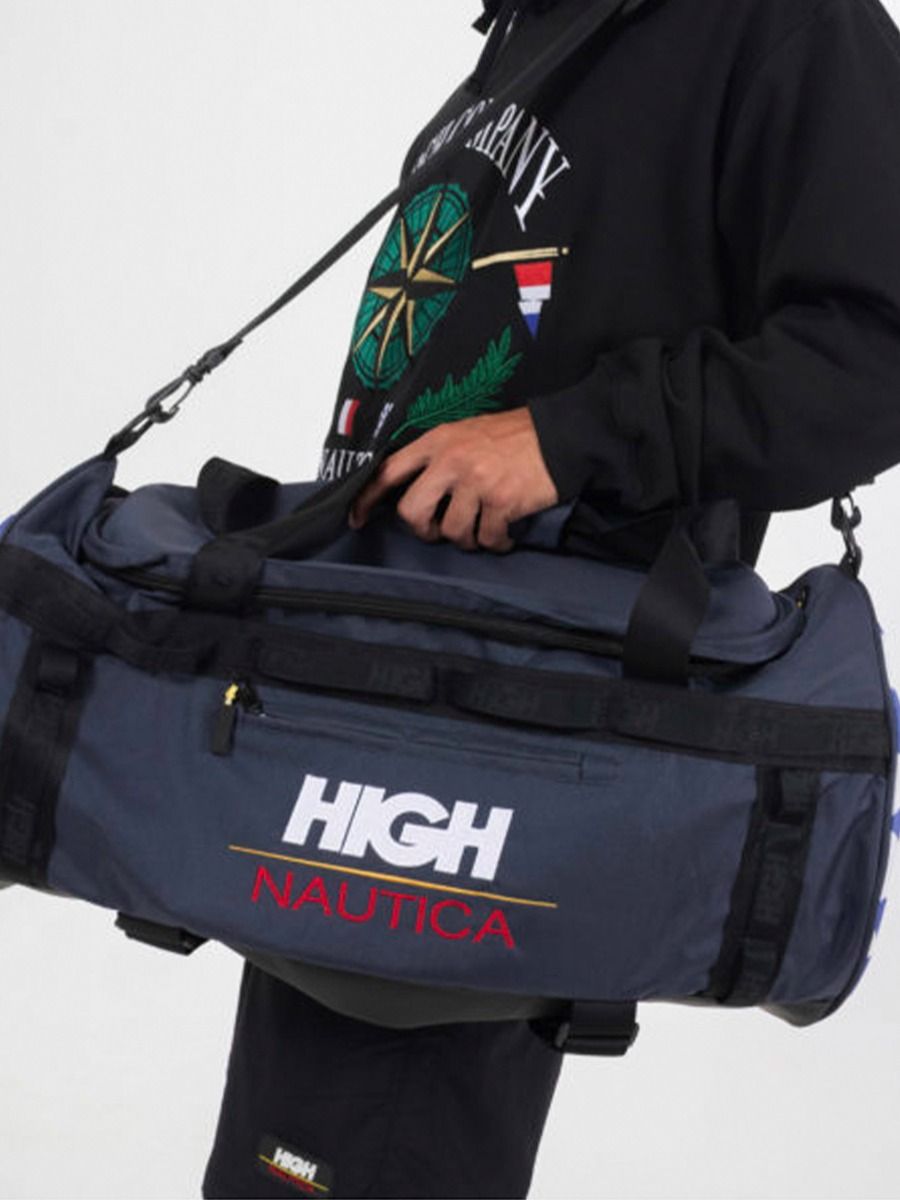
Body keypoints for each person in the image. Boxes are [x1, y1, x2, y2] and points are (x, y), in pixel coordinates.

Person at [202, 0, 900, 1195]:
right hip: (362, 722)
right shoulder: (536, 28)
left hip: (499, 758)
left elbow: (878, 353)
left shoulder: (785, 21)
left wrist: (566, 440)